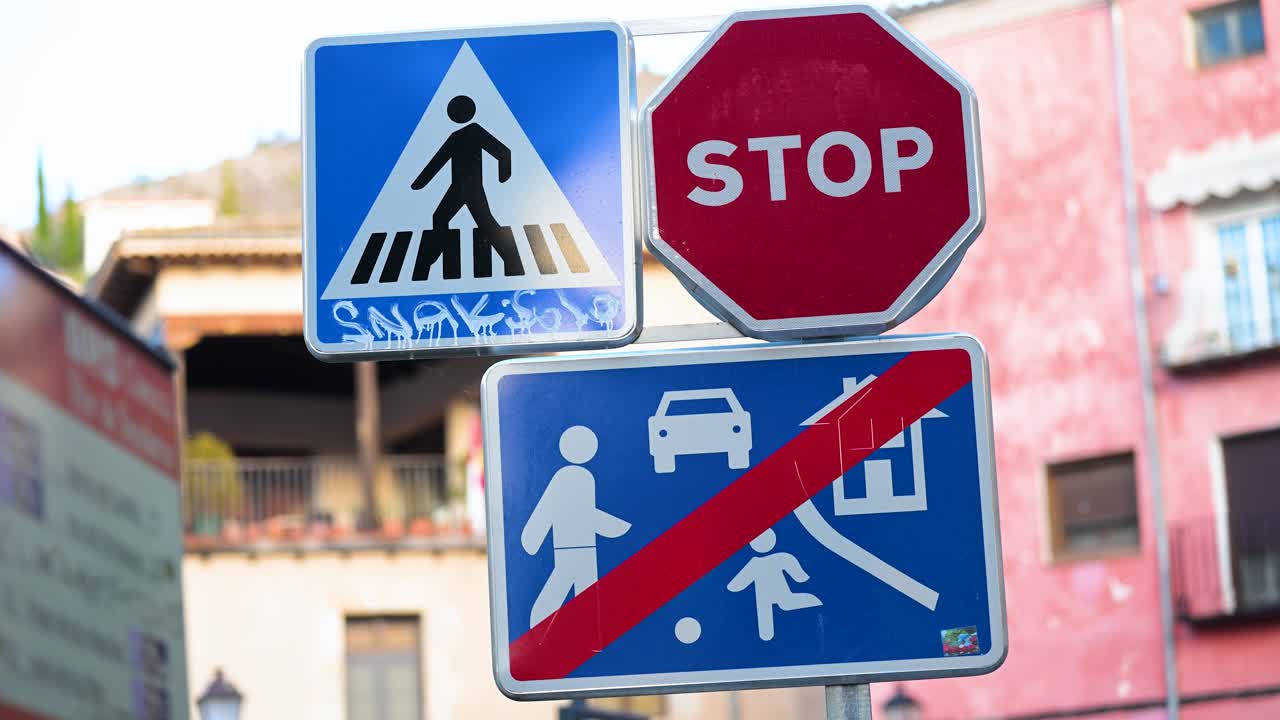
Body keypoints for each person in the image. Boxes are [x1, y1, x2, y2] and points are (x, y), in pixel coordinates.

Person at [521, 425, 630, 627]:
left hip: (585, 548)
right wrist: (532, 537)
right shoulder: (567, 477)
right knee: (560, 587)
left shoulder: (585, 478)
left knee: (585, 594)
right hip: (570, 547)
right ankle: (537, 633)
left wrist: (611, 526)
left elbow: (585, 513)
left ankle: (589, 639)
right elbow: (549, 508)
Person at [411, 94, 524, 278]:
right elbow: (438, 161)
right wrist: (420, 183)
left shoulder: (474, 131)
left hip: (471, 188)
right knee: (440, 218)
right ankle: (438, 254)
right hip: (457, 187)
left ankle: (512, 259)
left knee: (486, 224)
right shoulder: (455, 136)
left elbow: (503, 151)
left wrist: (503, 174)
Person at [727, 528, 822, 641]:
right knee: (779, 607)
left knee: (774, 609)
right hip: (768, 596)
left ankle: (813, 601)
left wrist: (732, 587)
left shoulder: (756, 563)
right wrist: (801, 578)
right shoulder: (780, 558)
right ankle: (766, 639)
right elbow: (799, 575)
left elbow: (736, 585)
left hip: (768, 595)